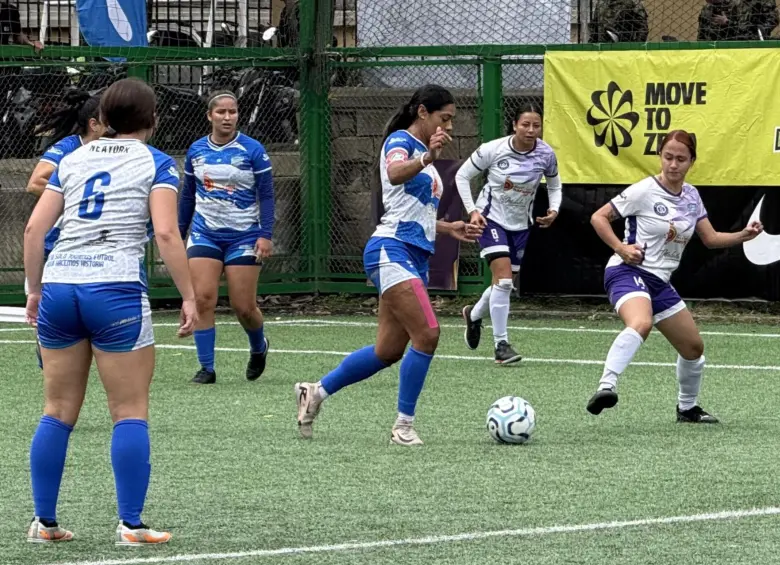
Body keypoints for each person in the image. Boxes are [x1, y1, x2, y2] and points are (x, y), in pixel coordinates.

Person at [23, 77, 197, 544]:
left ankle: (44, 522)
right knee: (129, 410)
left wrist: (34, 290)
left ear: (104, 119)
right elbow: (165, 233)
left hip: (61, 283)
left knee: (56, 410)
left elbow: (34, 230)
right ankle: (131, 524)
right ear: (153, 119)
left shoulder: (72, 158)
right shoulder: (158, 162)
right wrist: (190, 296)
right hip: (114, 286)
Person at [294, 84, 482, 446]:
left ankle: (315, 392)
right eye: (445, 118)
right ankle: (403, 426)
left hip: (412, 253)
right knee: (427, 333)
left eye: (453, 120)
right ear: (423, 112)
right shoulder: (401, 140)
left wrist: (447, 227)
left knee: (388, 351)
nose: (450, 127)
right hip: (390, 251)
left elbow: (409, 208)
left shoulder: (422, 151)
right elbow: (395, 174)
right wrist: (428, 158)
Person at [585, 130, 762, 423]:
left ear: (692, 161)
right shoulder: (644, 190)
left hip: (659, 282)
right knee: (640, 322)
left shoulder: (692, 196)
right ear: (660, 157)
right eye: (668, 157)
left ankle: (687, 409)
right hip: (628, 271)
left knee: (693, 349)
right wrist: (621, 247)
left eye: (681, 159)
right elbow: (598, 217)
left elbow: (711, 238)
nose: (673, 164)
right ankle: (606, 386)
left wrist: (745, 234)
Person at [178, 90, 274, 385]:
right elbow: (187, 196)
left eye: (232, 112)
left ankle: (259, 346)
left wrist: (265, 235)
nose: (227, 117)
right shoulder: (196, 151)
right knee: (204, 298)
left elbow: (267, 195)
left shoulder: (253, 150)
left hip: (244, 236)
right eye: (221, 112)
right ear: (210, 116)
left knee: (243, 306)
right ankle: (206, 367)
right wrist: (179, 232)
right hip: (205, 234)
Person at [456, 104, 562, 364]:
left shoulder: (546, 154)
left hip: (521, 225)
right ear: (514, 125)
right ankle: (501, 345)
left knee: (502, 284)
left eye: (536, 125)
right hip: (490, 218)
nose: (531, 130)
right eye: (525, 124)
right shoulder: (493, 149)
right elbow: (462, 176)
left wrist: (554, 209)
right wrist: (473, 211)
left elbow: (555, 184)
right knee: (504, 282)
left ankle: (474, 314)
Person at [25, 89, 105, 368]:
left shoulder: (119, 150)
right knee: (47, 322)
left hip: (95, 246)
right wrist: (73, 196)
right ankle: (49, 365)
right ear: (94, 124)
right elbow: (35, 182)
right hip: (56, 245)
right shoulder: (69, 147)